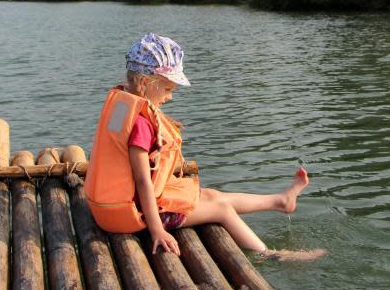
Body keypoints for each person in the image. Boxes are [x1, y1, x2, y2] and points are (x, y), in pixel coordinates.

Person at [85, 33, 326, 261]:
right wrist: (158, 231)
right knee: (221, 208)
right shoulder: (141, 124)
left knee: (211, 195)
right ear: (147, 82)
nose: (170, 96)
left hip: (109, 208)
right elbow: (142, 180)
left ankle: (280, 201)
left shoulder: (122, 106)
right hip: (130, 215)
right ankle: (269, 254)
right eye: (168, 89)